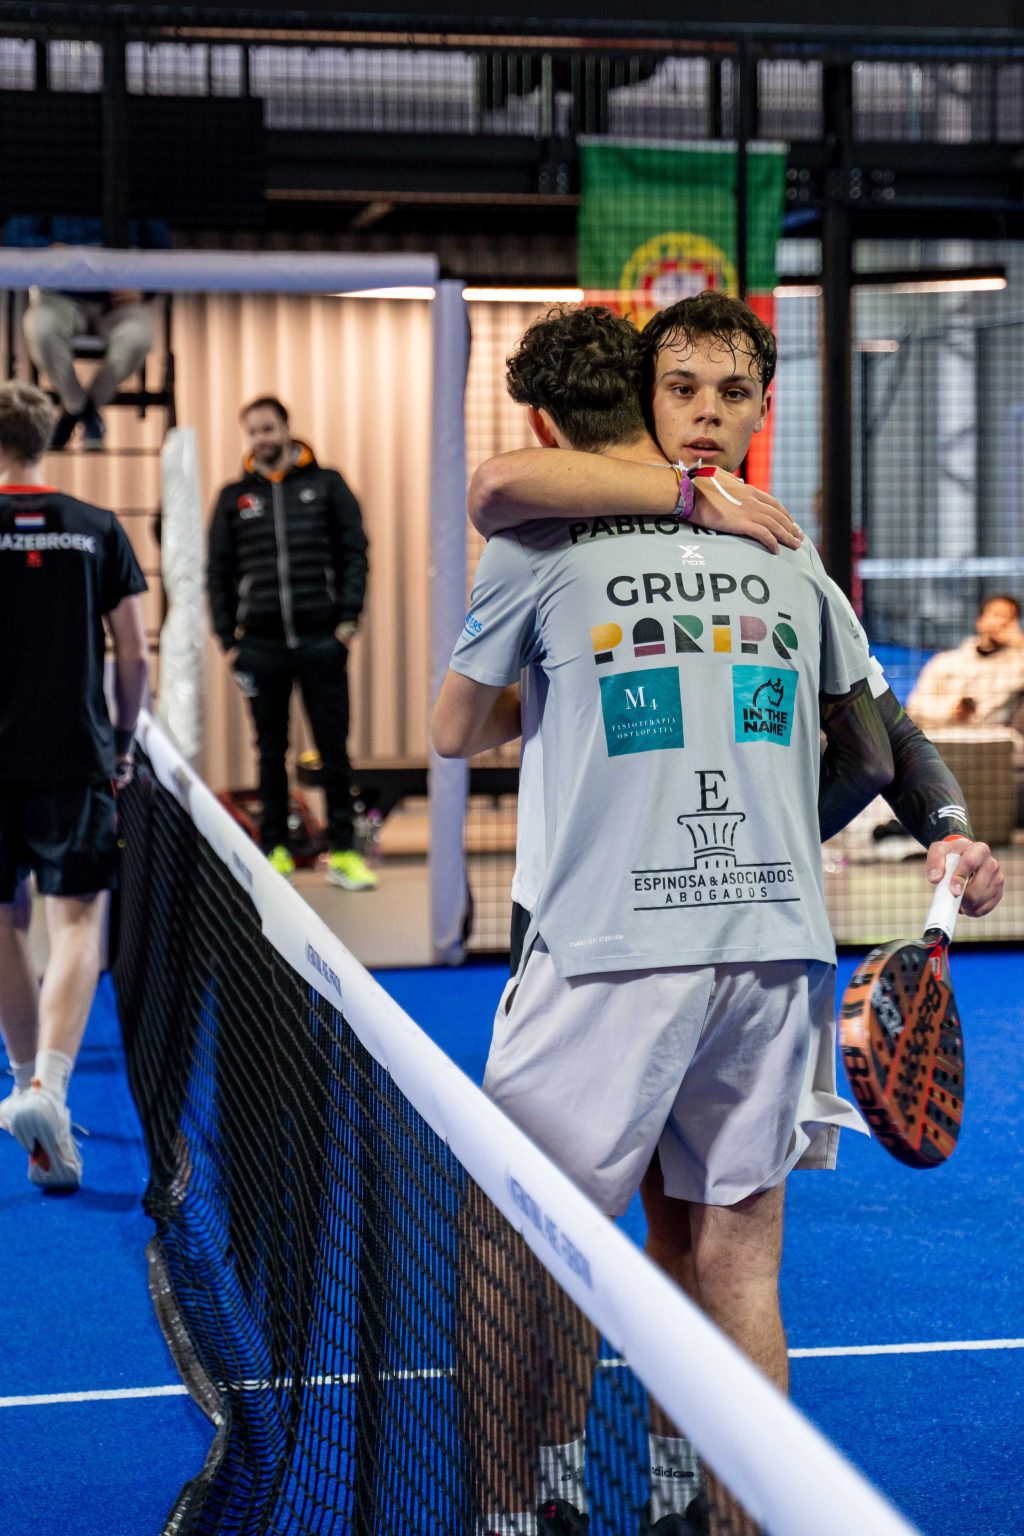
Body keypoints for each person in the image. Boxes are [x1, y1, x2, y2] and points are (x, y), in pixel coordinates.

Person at [432, 304, 898, 1536]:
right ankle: (717, 1509)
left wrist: (566, 692)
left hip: (609, 951)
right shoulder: (786, 547)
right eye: (685, 387)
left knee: (516, 1241)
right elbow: (869, 746)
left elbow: (451, 727)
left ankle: (518, 1509)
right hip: (775, 946)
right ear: (646, 397)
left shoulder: (536, 539)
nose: (704, 410)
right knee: (732, 1256)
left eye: (725, 390)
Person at [0, 380, 148, 1191]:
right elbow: (134, 654)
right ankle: (48, 1091)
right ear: (49, 436)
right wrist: (123, 744)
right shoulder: (96, 527)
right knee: (77, 925)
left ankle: (26, 1086)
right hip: (75, 757)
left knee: (4, 922)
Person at [206, 395, 376, 891]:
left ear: (285, 428)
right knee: (269, 751)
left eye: (268, 428)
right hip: (260, 648)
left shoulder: (327, 485)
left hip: (322, 641)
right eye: (253, 431)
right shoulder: (234, 498)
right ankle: (275, 849)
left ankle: (343, 852)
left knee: (334, 750)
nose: (261, 438)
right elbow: (217, 572)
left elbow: (355, 553)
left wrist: (347, 622)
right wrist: (228, 640)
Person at [3, 215, 173, 451]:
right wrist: (49, 250)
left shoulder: (134, 193)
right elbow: (14, 237)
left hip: (118, 301)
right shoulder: (45, 191)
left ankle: (73, 414)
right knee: (41, 329)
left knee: (138, 336)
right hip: (59, 297)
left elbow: (161, 250)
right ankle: (84, 412)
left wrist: (144, 290)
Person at [906, 593, 1024, 731]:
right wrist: (952, 708)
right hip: (940, 738)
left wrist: (1020, 643)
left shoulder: (1017, 667)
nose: (1002, 622)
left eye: (1010, 618)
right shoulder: (944, 661)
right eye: (997, 615)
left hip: (992, 741)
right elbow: (914, 707)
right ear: (980, 621)